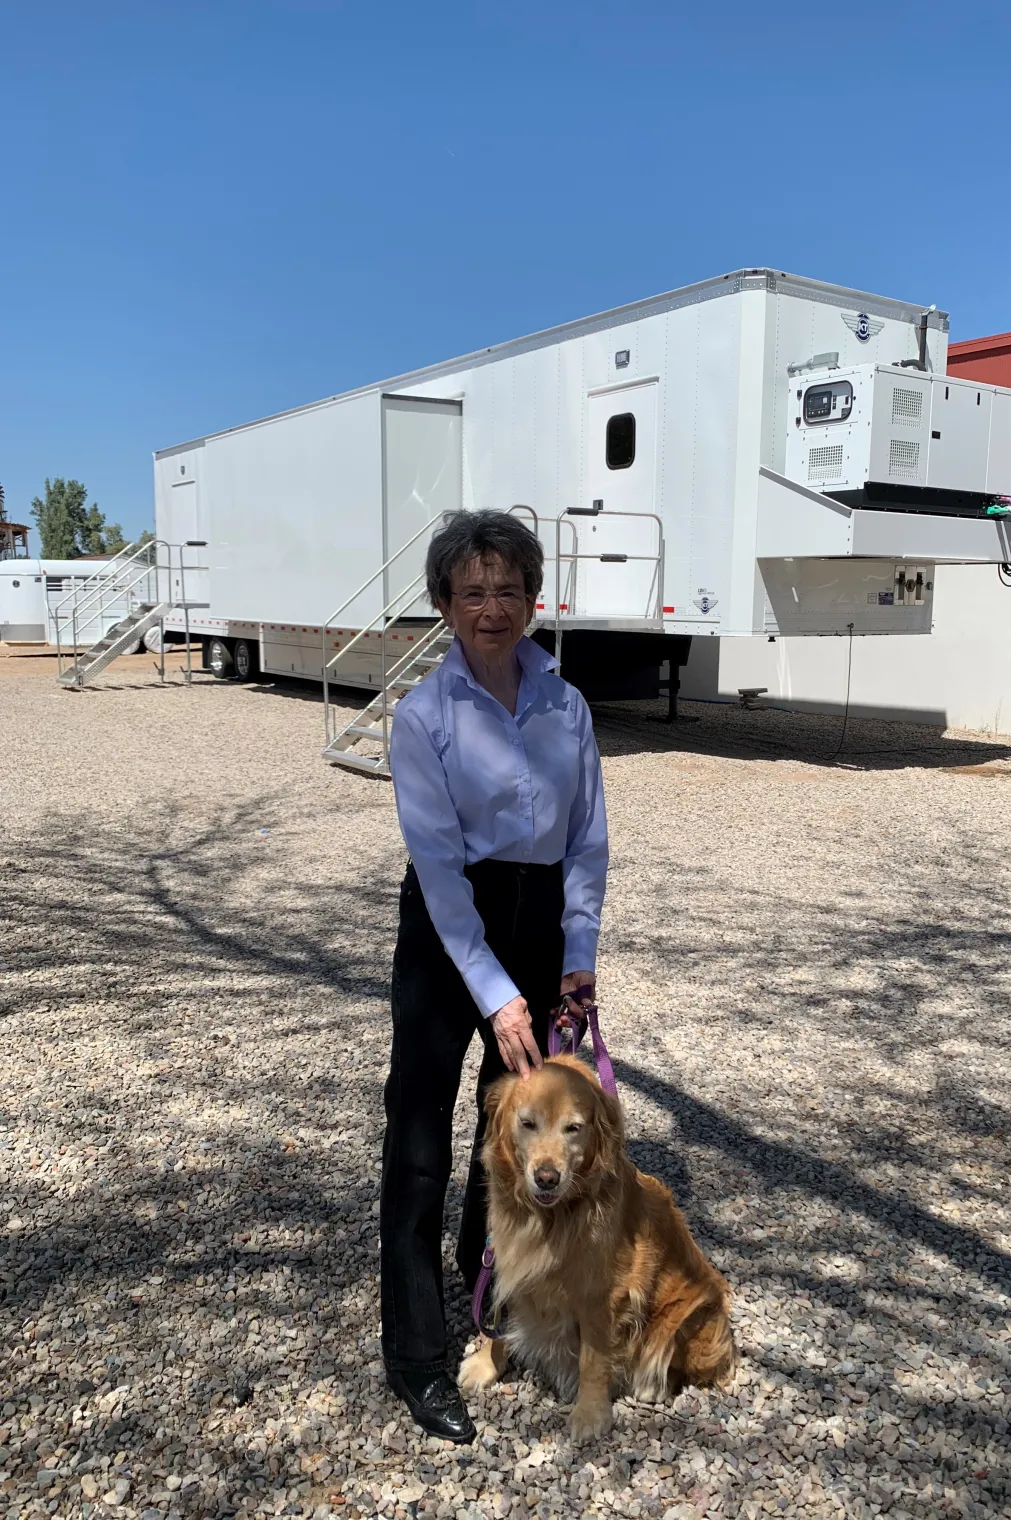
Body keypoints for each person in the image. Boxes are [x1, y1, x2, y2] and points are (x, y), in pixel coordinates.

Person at [380, 510, 608, 1441]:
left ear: (532, 597)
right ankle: (415, 1356)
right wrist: (495, 990)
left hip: (542, 918)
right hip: (449, 932)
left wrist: (577, 960)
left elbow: (587, 839)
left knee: (526, 1134)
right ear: (443, 604)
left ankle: (489, 1314)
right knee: (423, 1135)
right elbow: (438, 868)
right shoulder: (423, 718)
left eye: (508, 589)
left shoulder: (567, 704)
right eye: (471, 592)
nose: (492, 607)